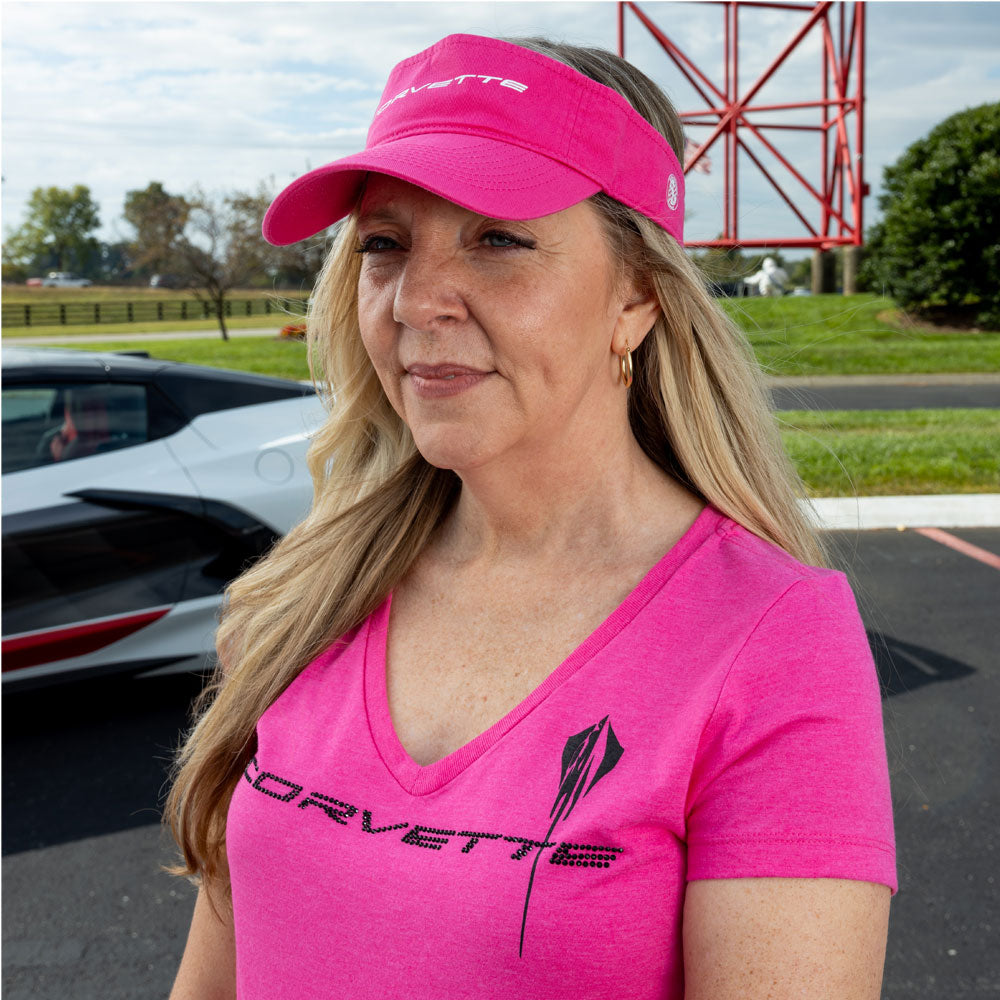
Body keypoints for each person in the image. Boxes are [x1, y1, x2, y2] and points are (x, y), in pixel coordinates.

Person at [166, 33, 895, 999]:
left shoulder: (770, 640)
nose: (416, 301)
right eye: (384, 244)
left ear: (635, 295)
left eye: (498, 238)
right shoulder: (303, 597)